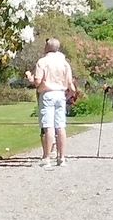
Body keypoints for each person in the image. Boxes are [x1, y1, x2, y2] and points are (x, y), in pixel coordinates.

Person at [25, 38, 78, 168]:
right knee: (60, 126)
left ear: (46, 47)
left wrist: (29, 78)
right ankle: (61, 157)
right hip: (60, 93)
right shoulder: (64, 63)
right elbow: (70, 82)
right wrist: (67, 96)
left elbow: (37, 81)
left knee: (48, 125)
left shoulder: (43, 61)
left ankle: (47, 157)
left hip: (47, 93)